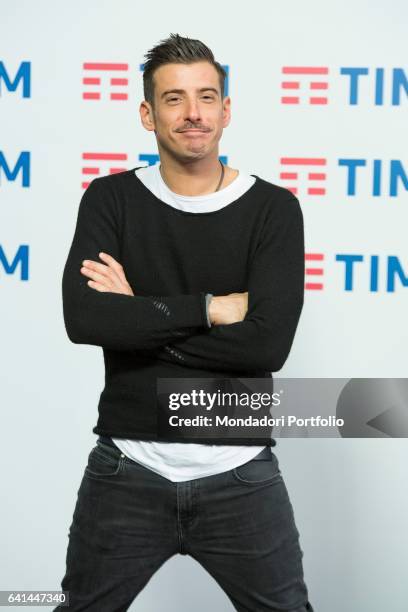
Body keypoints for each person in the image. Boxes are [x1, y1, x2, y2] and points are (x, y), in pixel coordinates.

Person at [56, 33, 314, 612]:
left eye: (206, 97)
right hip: (127, 468)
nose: (193, 113)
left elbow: (267, 344)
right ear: (148, 114)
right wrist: (211, 308)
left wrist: (139, 318)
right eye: (173, 99)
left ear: (227, 109)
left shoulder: (273, 209)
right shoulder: (111, 199)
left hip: (240, 472)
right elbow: (85, 318)